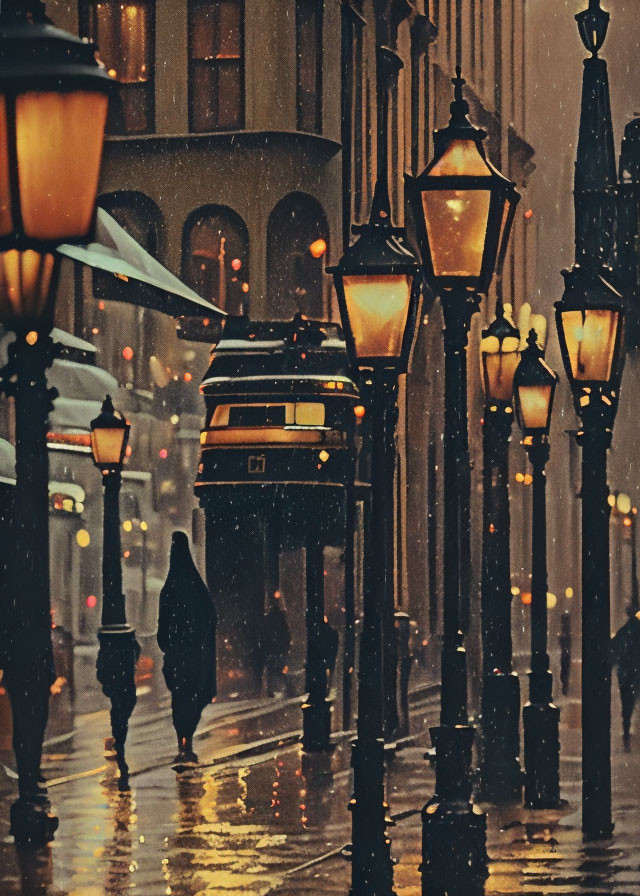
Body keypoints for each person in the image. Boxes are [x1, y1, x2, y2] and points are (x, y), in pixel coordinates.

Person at [157, 532, 217, 765]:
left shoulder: (169, 590)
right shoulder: (197, 589)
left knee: (180, 699)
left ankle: (183, 739)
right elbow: (210, 617)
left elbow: (163, 627)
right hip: (196, 656)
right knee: (194, 697)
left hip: (178, 657)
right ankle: (187, 738)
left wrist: (171, 646)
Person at [611, 605, 640, 749]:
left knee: (627, 706)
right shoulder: (632, 631)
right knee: (632, 703)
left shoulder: (624, 631)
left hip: (627, 674)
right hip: (634, 673)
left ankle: (627, 733)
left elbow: (614, 650)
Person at [261, 596, 291, 697]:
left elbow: (264, 635)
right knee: (282, 669)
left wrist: (265, 647)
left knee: (271, 670)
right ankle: (287, 688)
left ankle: (271, 690)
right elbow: (286, 634)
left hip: (271, 649)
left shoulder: (267, 620)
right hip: (280, 649)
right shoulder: (281, 619)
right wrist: (286, 647)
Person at [558, 611, 572, 696]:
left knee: (564, 671)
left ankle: (565, 687)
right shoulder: (567, 632)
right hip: (566, 654)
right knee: (565, 671)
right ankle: (565, 687)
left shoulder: (565, 633)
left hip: (565, 654)